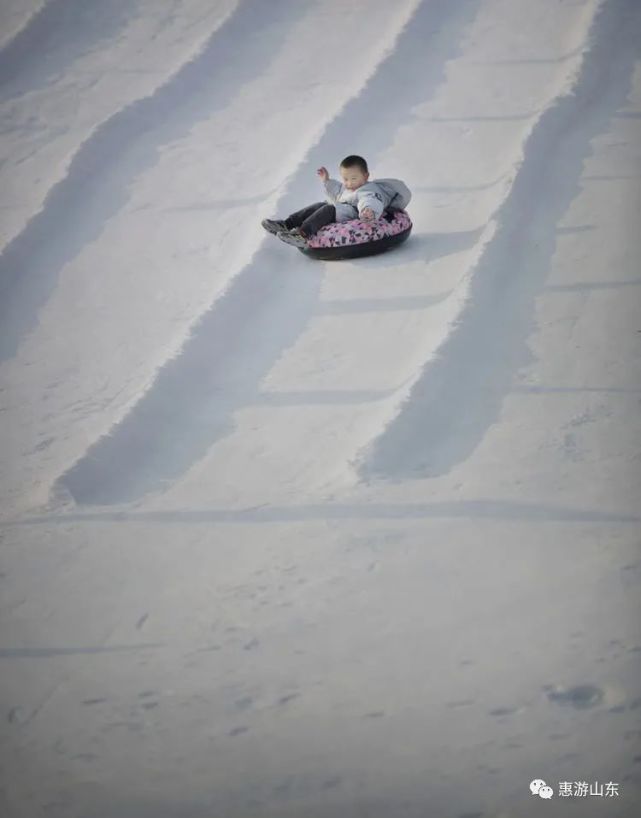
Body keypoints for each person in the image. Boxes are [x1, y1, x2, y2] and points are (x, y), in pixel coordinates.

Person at [262, 155, 411, 248]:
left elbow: (371, 200)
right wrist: (326, 180)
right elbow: (338, 191)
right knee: (320, 205)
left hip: (352, 213)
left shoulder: (368, 189)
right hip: (342, 209)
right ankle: (286, 224)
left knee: (329, 209)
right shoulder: (348, 188)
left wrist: (369, 211)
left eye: (354, 178)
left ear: (366, 176)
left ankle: (302, 235)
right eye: (346, 179)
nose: (349, 183)